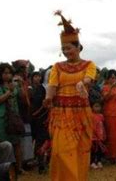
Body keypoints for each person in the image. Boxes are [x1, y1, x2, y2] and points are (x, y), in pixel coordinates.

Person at [43, 11, 97, 181]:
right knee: (60, 151)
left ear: (78, 47)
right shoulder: (57, 67)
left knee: (80, 149)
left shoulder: (89, 64)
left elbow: (89, 77)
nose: (66, 52)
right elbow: (52, 85)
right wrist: (48, 99)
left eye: (69, 48)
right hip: (61, 112)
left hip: (81, 112)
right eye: (63, 49)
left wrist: (83, 83)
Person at [0, 63, 24, 173]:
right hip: (0, 118)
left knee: (17, 143)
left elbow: (22, 98)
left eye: (9, 73)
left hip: (14, 118)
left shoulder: (15, 85)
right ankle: (4, 170)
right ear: (0, 74)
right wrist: (9, 92)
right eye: (5, 73)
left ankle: (18, 168)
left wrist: (21, 85)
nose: (7, 75)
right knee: (3, 144)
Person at [102, 69, 116, 164]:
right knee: (109, 135)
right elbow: (105, 98)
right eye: (111, 78)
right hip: (108, 113)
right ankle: (108, 156)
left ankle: (115, 156)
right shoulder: (105, 87)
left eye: (114, 78)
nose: (113, 79)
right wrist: (111, 88)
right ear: (108, 79)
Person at [29, 71, 49, 174]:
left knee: (41, 141)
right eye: (35, 76)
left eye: (38, 76)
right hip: (32, 119)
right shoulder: (28, 89)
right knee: (34, 140)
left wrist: (38, 113)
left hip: (42, 118)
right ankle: (36, 161)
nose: (37, 78)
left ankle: (42, 164)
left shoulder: (42, 89)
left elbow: (45, 103)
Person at [90, 102, 106, 169]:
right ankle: (92, 162)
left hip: (100, 135)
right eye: (95, 106)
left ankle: (99, 161)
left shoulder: (101, 116)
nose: (97, 108)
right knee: (94, 150)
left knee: (100, 149)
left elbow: (102, 125)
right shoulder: (90, 115)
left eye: (99, 106)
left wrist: (104, 134)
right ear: (92, 108)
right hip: (93, 136)